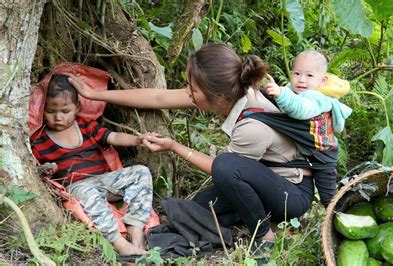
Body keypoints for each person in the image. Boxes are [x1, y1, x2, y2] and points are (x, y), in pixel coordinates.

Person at [66, 43, 320, 253]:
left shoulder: (251, 126)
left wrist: (175, 147)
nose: (188, 93)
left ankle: (265, 235)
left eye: (192, 89)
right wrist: (95, 95)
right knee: (198, 208)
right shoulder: (227, 92)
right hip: (263, 179)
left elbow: (222, 169)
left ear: (217, 96)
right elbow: (158, 98)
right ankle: (251, 217)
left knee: (225, 170)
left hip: (291, 194)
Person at [30, 74, 154, 256]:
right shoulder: (39, 140)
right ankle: (120, 244)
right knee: (86, 191)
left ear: (77, 107)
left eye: (65, 111)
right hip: (77, 187)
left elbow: (113, 137)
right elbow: (36, 169)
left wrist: (137, 139)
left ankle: (137, 235)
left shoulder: (86, 125)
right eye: (50, 111)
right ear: (42, 109)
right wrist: (47, 170)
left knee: (141, 172)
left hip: (104, 181)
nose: (58, 117)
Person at [264, 50, 352, 132]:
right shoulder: (291, 89)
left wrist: (281, 94)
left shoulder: (319, 97)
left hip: (306, 144)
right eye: (297, 73)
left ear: (322, 81)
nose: (301, 79)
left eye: (309, 75)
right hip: (289, 132)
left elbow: (301, 109)